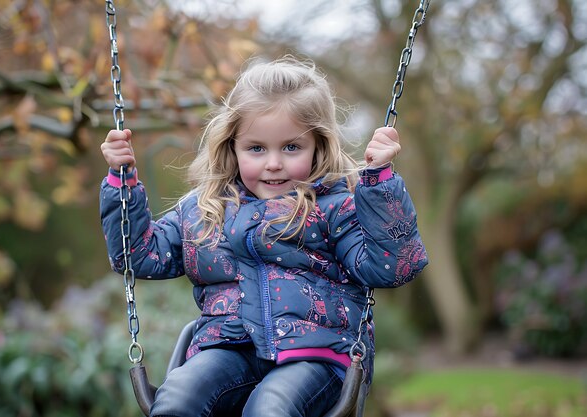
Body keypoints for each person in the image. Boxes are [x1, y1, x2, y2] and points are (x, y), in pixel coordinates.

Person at [99, 55, 427, 417]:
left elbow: (392, 267)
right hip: (227, 349)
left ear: (317, 146)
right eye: (256, 148)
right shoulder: (203, 210)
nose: (273, 163)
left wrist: (380, 185)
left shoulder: (335, 207)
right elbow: (138, 255)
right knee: (177, 398)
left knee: (268, 408)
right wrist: (121, 182)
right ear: (232, 146)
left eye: (291, 147)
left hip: (315, 356)